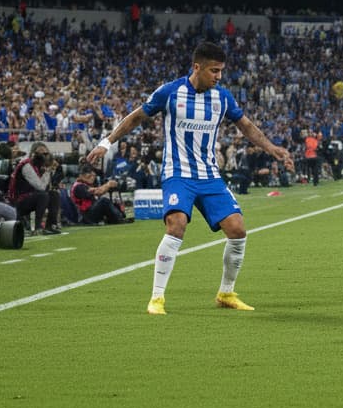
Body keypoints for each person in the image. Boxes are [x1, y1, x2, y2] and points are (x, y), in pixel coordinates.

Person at [86, 41, 294, 315]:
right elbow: (136, 118)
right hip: (178, 174)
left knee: (237, 230)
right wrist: (107, 142)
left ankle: (226, 293)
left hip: (209, 176)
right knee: (176, 225)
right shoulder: (171, 92)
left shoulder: (222, 98)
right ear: (197, 67)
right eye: (214, 71)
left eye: (221, 71)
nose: (218, 76)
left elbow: (246, 126)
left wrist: (272, 148)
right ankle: (157, 298)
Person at [7, 142, 62, 234]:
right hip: (19, 201)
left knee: (54, 194)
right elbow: (40, 187)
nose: (44, 156)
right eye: (42, 154)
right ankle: (38, 227)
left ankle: (50, 225)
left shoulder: (39, 166)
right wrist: (48, 171)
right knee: (43, 195)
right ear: (34, 154)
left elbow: (46, 187)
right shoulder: (27, 165)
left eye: (46, 153)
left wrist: (50, 171)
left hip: (32, 197)